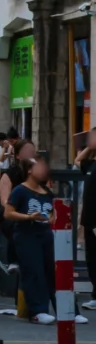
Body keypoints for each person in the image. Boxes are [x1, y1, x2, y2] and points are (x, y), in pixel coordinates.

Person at [5, 156, 58, 324]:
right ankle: (37, 311)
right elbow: (8, 213)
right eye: (38, 166)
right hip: (26, 235)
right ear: (29, 170)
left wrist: (52, 218)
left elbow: (52, 212)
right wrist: (28, 217)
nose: (43, 169)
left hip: (45, 235)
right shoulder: (20, 190)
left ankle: (66, 309)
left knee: (52, 272)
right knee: (34, 272)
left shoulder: (47, 192)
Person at [77, 130, 96, 312]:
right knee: (91, 259)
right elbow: (78, 161)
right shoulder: (91, 164)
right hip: (89, 221)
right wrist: (90, 148)